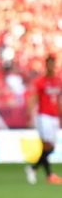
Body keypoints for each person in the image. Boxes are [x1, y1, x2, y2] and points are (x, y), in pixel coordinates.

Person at [25, 55, 62, 185]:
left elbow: (58, 100)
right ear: (46, 65)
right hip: (44, 116)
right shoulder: (40, 81)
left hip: (54, 117)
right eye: (49, 64)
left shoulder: (58, 81)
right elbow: (34, 98)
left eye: (53, 64)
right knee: (47, 145)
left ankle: (33, 168)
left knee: (51, 148)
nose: (52, 67)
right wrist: (30, 115)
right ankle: (49, 175)